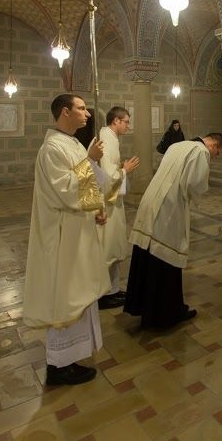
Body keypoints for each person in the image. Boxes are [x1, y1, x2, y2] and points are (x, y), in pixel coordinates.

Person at [22, 94, 110, 386]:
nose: (87, 114)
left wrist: (96, 209)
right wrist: (91, 160)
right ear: (65, 112)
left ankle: (73, 356)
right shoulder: (52, 148)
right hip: (62, 237)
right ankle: (59, 365)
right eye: (81, 108)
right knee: (65, 297)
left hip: (78, 232)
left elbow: (85, 186)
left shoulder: (72, 143)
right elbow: (66, 190)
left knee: (78, 293)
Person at [125, 131, 222, 329]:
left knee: (147, 255)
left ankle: (144, 307)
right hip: (168, 208)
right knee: (164, 257)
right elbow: (194, 184)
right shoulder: (200, 151)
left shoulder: (177, 145)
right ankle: (163, 315)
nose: (214, 157)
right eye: (217, 153)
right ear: (214, 145)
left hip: (150, 202)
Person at [97, 106, 140, 309]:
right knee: (108, 248)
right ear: (116, 121)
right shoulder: (106, 140)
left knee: (113, 247)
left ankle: (112, 289)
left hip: (113, 202)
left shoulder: (111, 138)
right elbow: (107, 177)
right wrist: (124, 170)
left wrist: (121, 168)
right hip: (107, 204)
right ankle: (103, 294)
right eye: (126, 122)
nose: (128, 126)